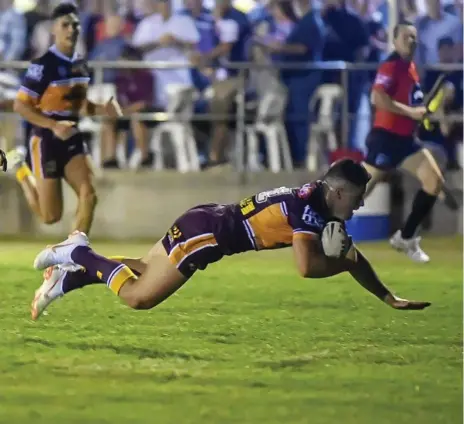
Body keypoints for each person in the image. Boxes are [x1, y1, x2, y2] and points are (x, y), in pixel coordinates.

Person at [30, 159, 430, 321]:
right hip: (207, 234)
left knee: (145, 271)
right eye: (359, 199)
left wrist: (386, 296)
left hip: (207, 221)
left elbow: (351, 257)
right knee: (139, 297)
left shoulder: (320, 200)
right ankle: (78, 251)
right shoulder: (309, 213)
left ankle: (69, 277)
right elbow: (308, 268)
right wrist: (343, 260)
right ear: (340, 193)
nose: (360, 207)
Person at [6, 3, 123, 234]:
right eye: (66, 25)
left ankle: (75, 253)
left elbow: (79, 105)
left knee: (88, 194)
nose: (72, 29)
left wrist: (102, 109)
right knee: (50, 216)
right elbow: (20, 105)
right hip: (45, 140)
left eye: (75, 25)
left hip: (71, 139)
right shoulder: (43, 66)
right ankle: (20, 170)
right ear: (54, 30)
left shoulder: (80, 65)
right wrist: (53, 125)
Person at [363, 20, 445, 264]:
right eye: (406, 36)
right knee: (360, 191)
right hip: (386, 137)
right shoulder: (391, 65)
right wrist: (411, 113)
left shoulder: (410, 68)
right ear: (395, 40)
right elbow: (377, 97)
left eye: (414, 37)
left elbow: (410, 103)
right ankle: (319, 224)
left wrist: (421, 114)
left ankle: (406, 237)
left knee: (434, 181)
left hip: (406, 140)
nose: (411, 41)